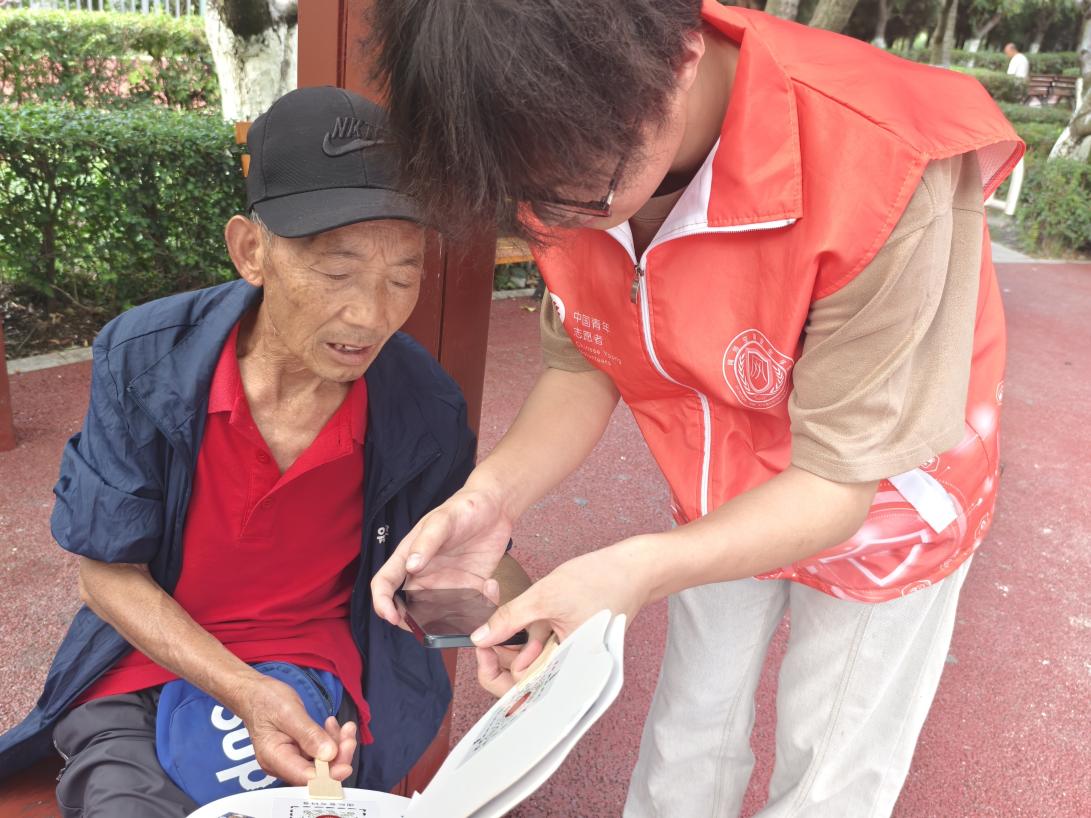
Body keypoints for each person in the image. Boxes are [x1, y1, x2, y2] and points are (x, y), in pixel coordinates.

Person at [366, 2, 1024, 817]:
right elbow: (582, 363)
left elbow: (835, 483)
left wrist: (639, 568)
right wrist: (490, 499)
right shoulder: (562, 144)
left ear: (681, 57)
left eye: (579, 196)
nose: (553, 222)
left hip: (885, 500)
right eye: (527, 206)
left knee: (829, 769)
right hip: (718, 475)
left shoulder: (882, 163)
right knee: (686, 733)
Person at [0, 86, 530, 817]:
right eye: (337, 272)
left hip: (318, 668)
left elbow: (456, 554)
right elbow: (105, 575)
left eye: (402, 277)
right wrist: (243, 690)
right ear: (252, 251)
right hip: (151, 658)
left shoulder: (421, 403)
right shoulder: (145, 360)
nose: (370, 315)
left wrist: (530, 626)